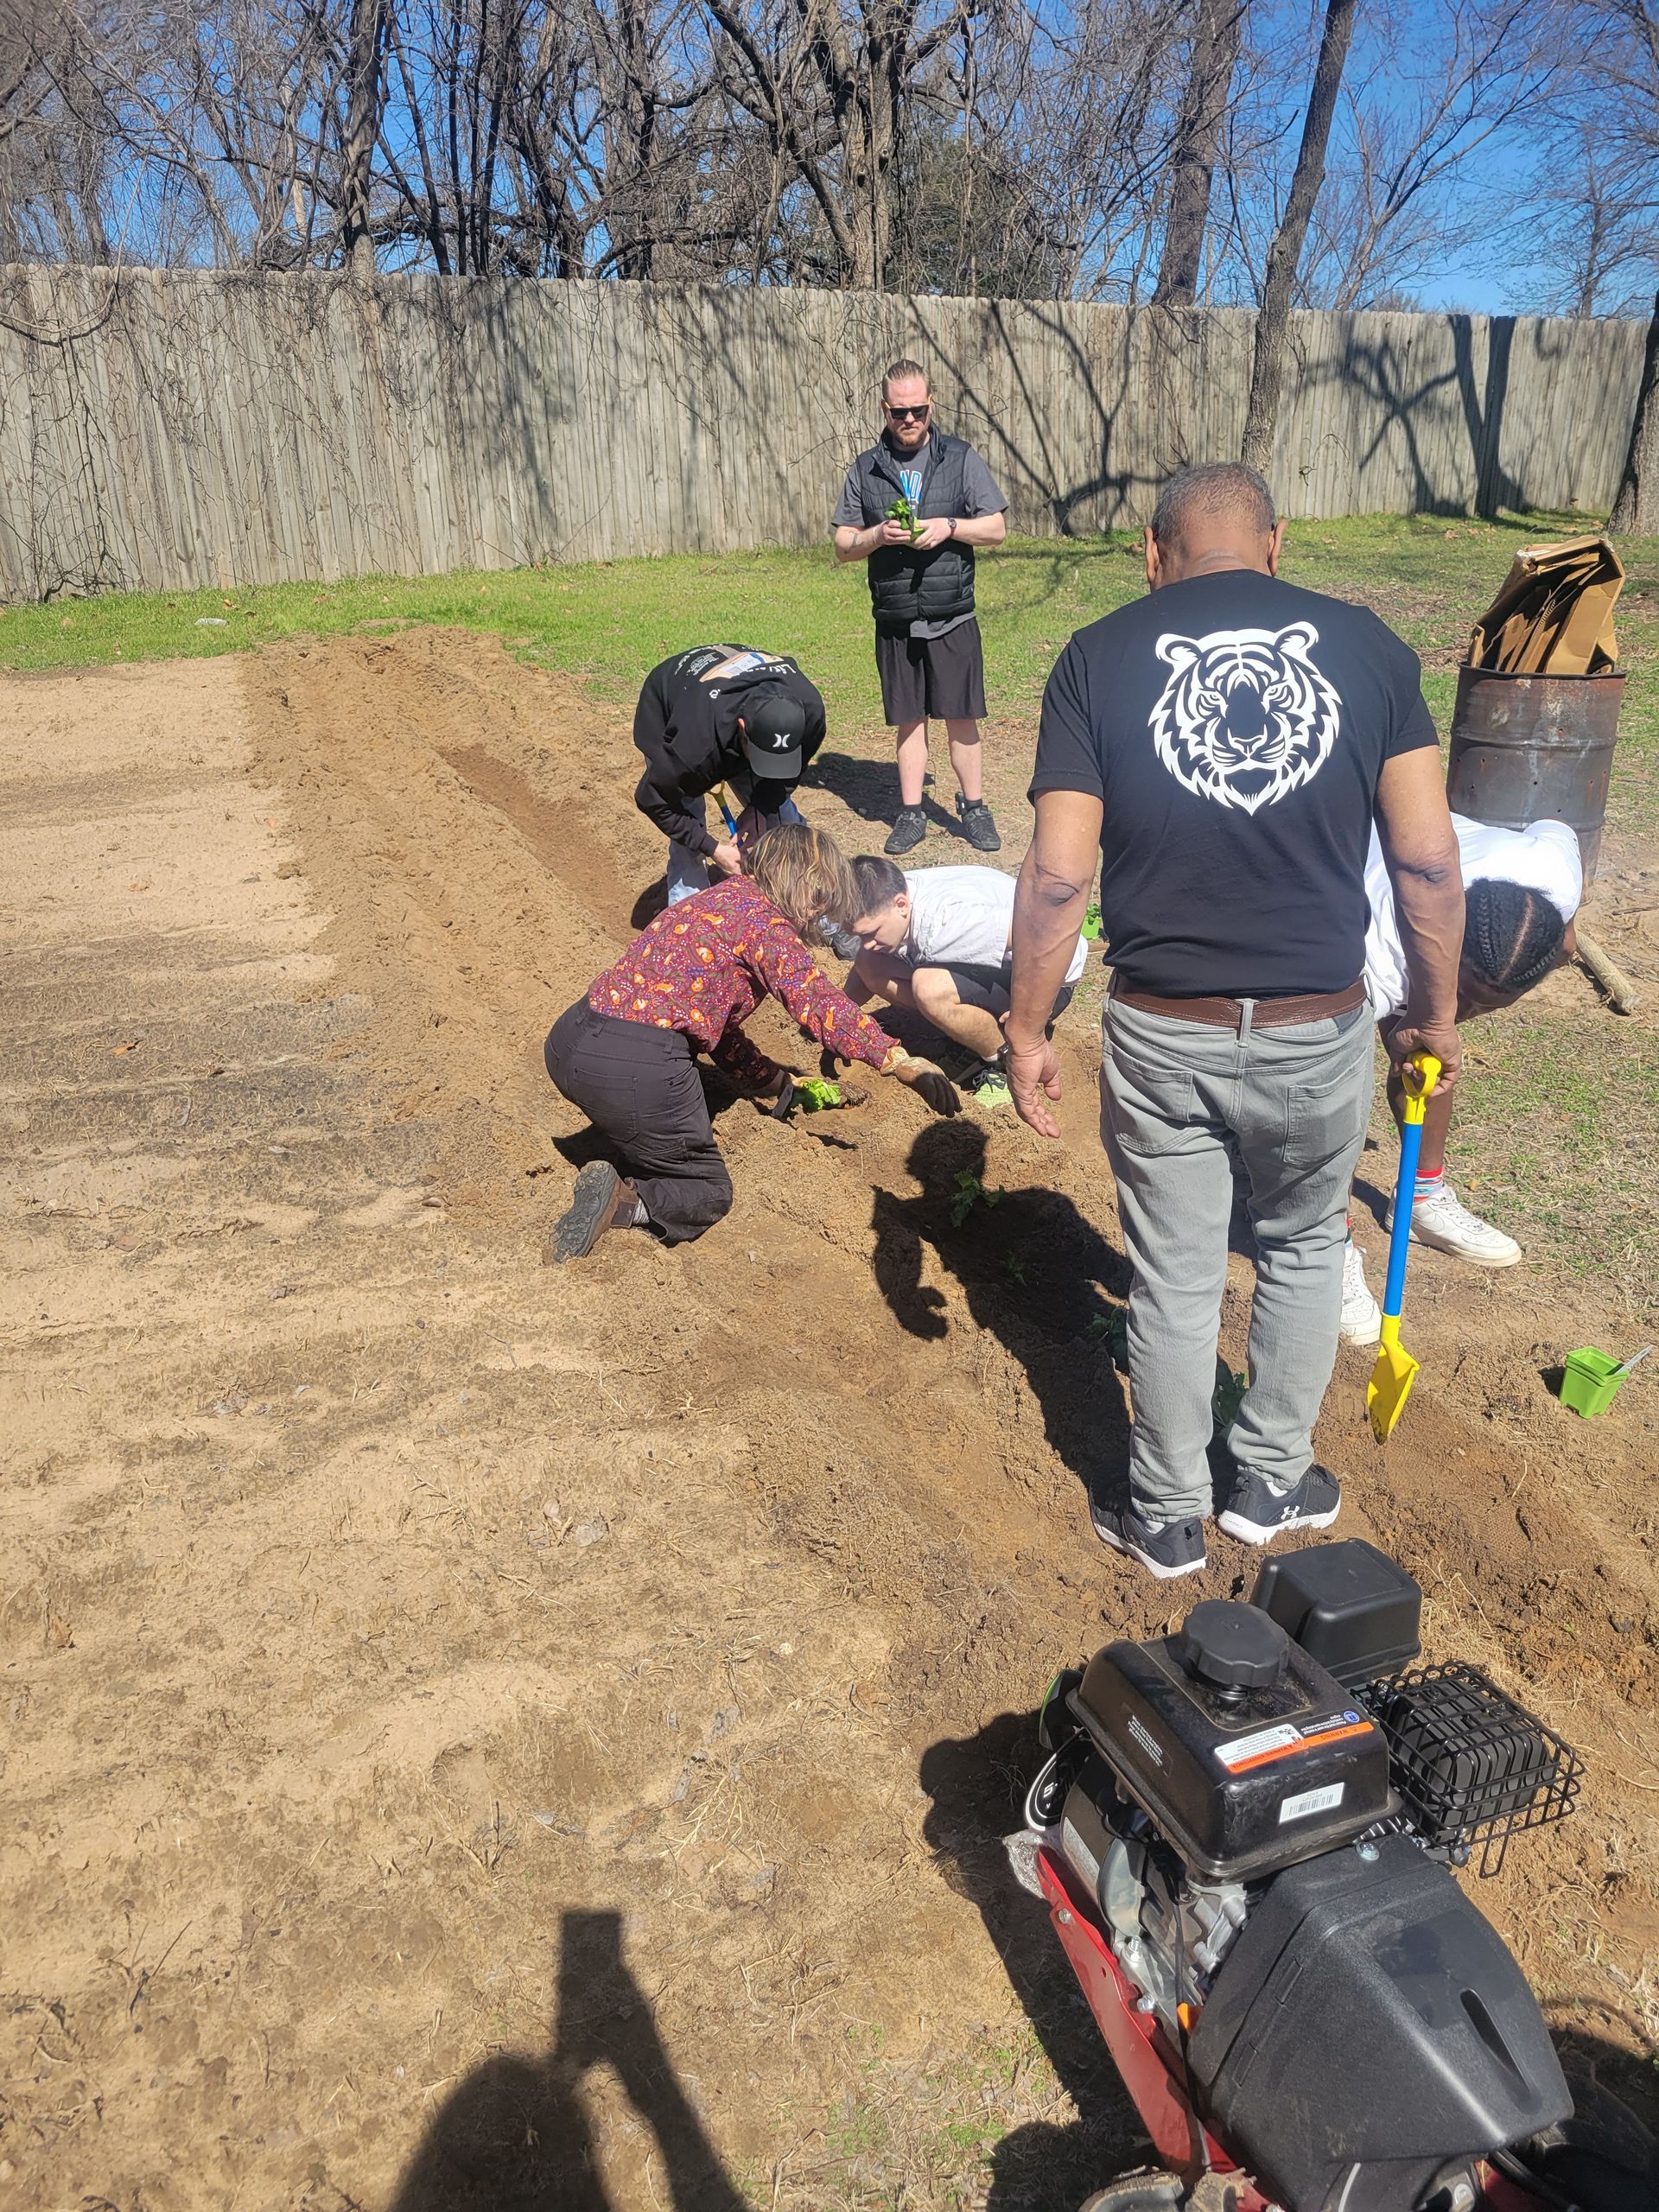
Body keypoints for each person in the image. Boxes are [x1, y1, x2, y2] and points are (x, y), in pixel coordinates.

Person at [1006, 461, 1465, 1581]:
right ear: (1276, 544)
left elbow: (1058, 878)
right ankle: (1268, 1483)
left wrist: (1024, 1029)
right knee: (1305, 1246)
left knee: (1173, 1273)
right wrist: (1435, 1016)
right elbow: (1427, 861)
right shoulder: (1371, 651)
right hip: (1320, 1026)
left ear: (1151, 555)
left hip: (1165, 1029)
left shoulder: (1096, 658)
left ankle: (1165, 1515)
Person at [543, 824, 959, 1258]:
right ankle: (624, 1201)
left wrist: (780, 1084)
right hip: (632, 1067)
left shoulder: (717, 900)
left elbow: (719, 1035)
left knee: (674, 1093)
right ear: (797, 880)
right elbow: (817, 999)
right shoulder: (765, 923)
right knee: (706, 1190)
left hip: (569, 1041)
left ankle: (627, 1142)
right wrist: (896, 1059)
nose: (819, 910)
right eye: (819, 894)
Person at [1338, 814, 1581, 1339]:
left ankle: (1422, 1198)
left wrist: (1440, 1017)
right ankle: (1326, 1243)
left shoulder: (1553, 879)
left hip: (1433, 868)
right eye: (1461, 992)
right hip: (1348, 872)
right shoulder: (1377, 955)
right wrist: (1427, 1011)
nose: (1465, 1011)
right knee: (1334, 1099)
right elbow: (1323, 1086)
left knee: (1431, 1060)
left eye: (1486, 1004)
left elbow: (1555, 827)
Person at [831, 359, 1008, 858]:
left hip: (952, 612)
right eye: (899, 412)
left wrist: (949, 527)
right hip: (896, 618)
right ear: (884, 409)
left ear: (932, 405)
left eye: (918, 410)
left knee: (962, 716)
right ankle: (911, 814)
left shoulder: (960, 458)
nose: (909, 419)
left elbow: (996, 528)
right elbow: (843, 545)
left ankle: (974, 808)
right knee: (909, 719)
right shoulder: (866, 467)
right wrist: (875, 535)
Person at [843, 855, 1088, 1107]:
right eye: (861, 936)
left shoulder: (945, 922)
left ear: (901, 904)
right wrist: (837, 1016)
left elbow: (1043, 936)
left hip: (1050, 980)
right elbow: (865, 967)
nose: (867, 943)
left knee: (929, 989)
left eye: (871, 933)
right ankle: (967, 1037)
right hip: (1001, 965)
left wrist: (1029, 1010)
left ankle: (1004, 1065)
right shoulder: (887, 892)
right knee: (870, 962)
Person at [632, 645, 826, 904]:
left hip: (725, 722)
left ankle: (808, 895)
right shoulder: (693, 749)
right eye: (761, 756)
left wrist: (761, 806)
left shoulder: (810, 715)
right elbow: (654, 799)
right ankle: (689, 913)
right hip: (673, 709)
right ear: (742, 728)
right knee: (688, 833)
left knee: (780, 816)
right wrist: (712, 848)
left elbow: (787, 777)